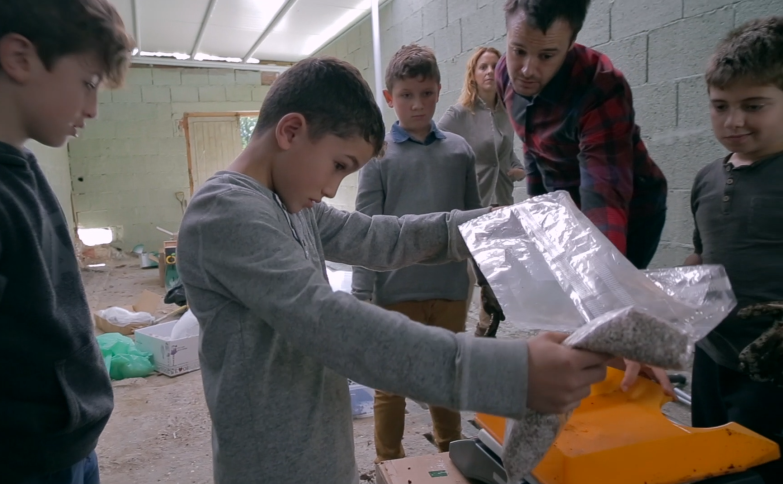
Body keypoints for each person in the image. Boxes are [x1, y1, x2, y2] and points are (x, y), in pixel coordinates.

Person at [176, 56, 611, 484]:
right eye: (339, 165)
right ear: (291, 131)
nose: (331, 188)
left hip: (325, 460)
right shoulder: (225, 212)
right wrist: (513, 374)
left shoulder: (290, 205)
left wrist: (494, 226)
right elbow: (331, 325)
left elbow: (383, 237)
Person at [0, 1, 134, 483]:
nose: (93, 109)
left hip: (62, 452)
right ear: (20, 58)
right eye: (88, 83)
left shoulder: (14, 169)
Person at [496, 0, 673, 393]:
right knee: (567, 309)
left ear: (571, 42)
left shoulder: (601, 87)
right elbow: (533, 151)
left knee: (603, 313)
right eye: (518, 50)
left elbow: (605, 197)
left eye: (546, 56)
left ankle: (622, 383)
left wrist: (612, 306)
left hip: (629, 210)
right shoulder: (504, 75)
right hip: (568, 200)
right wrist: (540, 224)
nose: (527, 69)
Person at [350, 44, 482, 462]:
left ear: (439, 91)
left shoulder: (459, 151)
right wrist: (361, 296)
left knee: (444, 377)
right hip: (395, 292)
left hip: (450, 290)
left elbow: (474, 224)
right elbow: (365, 230)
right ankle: (389, 462)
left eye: (426, 94)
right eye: (406, 95)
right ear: (389, 98)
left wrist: (487, 279)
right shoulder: (379, 157)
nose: (417, 104)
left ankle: (451, 453)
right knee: (392, 385)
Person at [684, 16, 783, 482]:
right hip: (712, 358)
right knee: (710, 465)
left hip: (774, 376)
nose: (734, 120)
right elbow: (701, 257)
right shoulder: (706, 179)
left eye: (753, 105)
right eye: (720, 106)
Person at [439, 46, 525, 336]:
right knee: (479, 273)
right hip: (474, 204)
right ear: (473, 75)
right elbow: (437, 145)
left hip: (502, 201)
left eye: (494, 66)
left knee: (498, 271)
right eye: (483, 67)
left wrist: (519, 171)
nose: (489, 72)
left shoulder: (506, 112)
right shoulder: (460, 114)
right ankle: (465, 329)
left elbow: (508, 155)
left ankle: (485, 325)